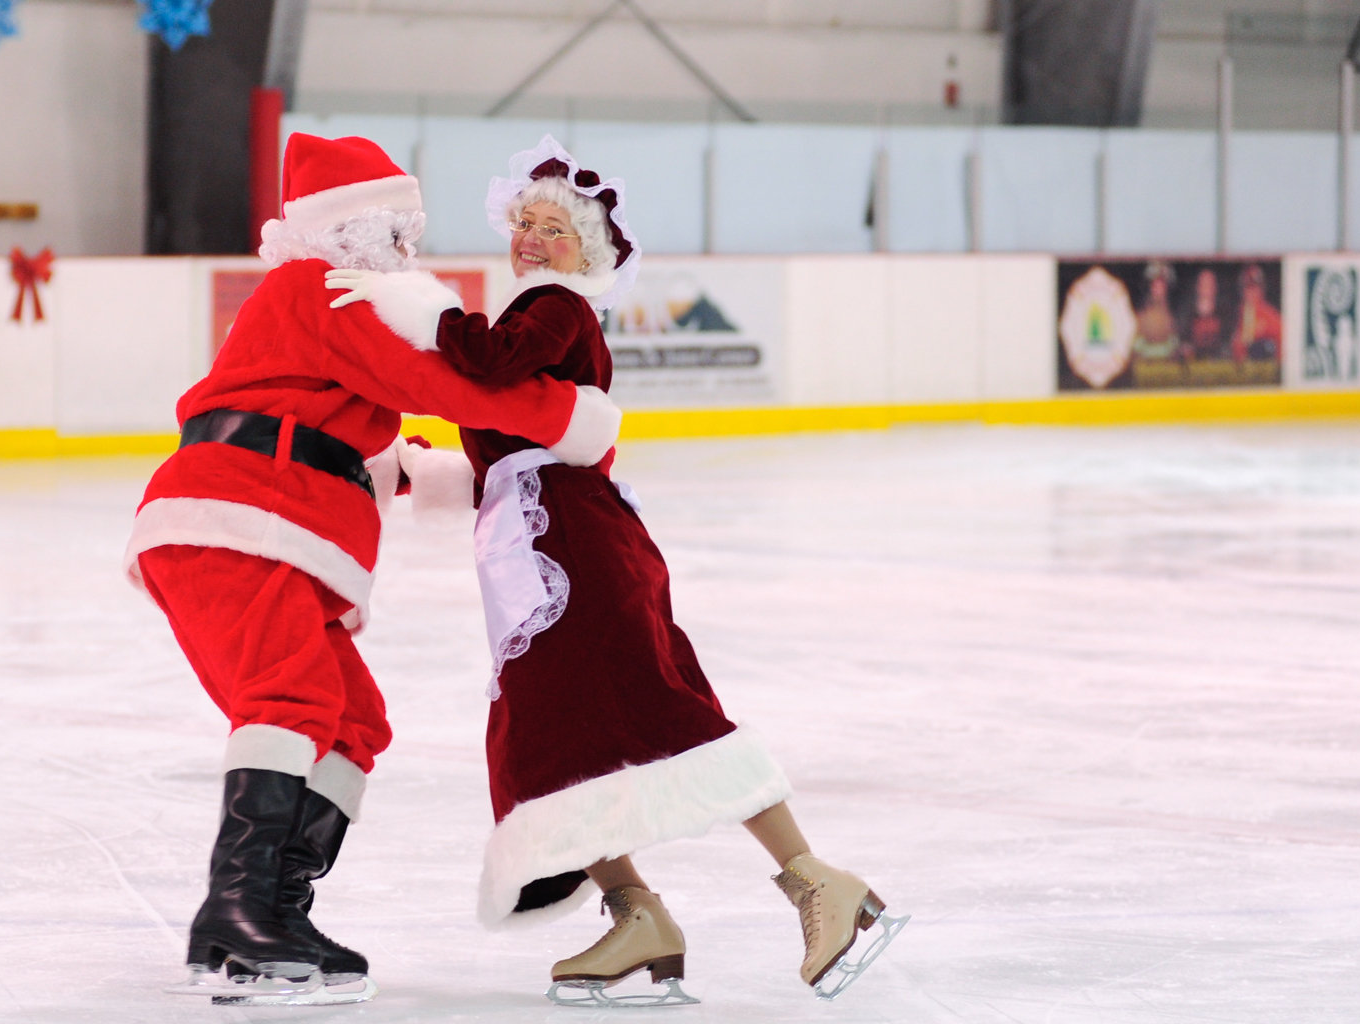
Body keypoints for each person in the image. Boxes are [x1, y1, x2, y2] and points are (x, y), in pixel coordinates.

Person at [326, 136, 904, 1006]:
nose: (532, 237)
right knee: (550, 736)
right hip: (536, 549)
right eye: (524, 221)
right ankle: (636, 911)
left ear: (585, 251)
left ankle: (816, 879)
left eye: (554, 226)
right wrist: (422, 467)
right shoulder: (535, 311)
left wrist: (412, 303)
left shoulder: (558, 306)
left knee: (656, 709)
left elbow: (479, 362)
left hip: (578, 549)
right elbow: (499, 428)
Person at [130, 133, 622, 1005]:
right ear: (349, 231)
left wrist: (464, 476)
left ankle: (279, 906)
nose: (407, 252)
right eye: (394, 232)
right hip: (239, 519)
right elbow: (445, 384)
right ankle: (237, 917)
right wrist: (575, 419)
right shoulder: (318, 287)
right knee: (290, 700)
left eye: (409, 234)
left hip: (276, 523)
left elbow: (375, 434)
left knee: (354, 719)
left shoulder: (332, 305)